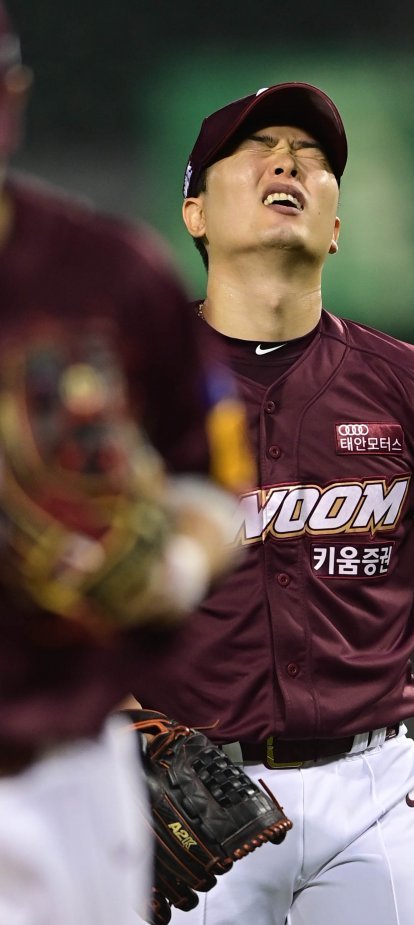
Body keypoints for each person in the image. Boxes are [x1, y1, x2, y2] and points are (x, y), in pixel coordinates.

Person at [135, 82, 414, 924]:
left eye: (311, 157)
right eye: (258, 148)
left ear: (335, 227)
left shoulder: (412, 388)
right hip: (193, 795)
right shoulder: (132, 392)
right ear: (194, 212)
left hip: (373, 791)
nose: (288, 162)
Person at [0, 6, 251, 924]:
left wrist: (173, 567)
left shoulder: (109, 275)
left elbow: (213, 475)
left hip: (66, 771)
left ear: (11, 97)